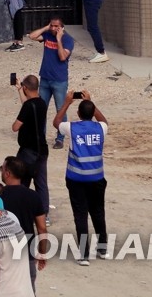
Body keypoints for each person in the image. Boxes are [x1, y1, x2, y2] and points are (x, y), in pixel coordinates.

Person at [52, 90, 109, 264]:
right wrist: (92, 103)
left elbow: (56, 122)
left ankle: (84, 254)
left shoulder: (72, 127)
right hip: (97, 179)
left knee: (80, 215)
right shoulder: (101, 128)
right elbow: (104, 120)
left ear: (77, 114)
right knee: (98, 212)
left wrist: (67, 102)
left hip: (76, 179)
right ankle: (103, 248)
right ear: (92, 114)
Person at [0, 157, 49, 289]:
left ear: (7, 173)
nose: (1, 171)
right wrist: (42, 252)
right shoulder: (33, 196)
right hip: (27, 254)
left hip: (3, 254)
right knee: (28, 290)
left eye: (2, 168)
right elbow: (42, 228)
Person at [27, 17, 73, 150]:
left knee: (60, 110)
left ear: (61, 27)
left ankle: (60, 138)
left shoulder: (68, 40)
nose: (53, 28)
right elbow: (32, 36)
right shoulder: (47, 34)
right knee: (41, 108)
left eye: (56, 26)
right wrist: (46, 27)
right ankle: (40, 136)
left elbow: (62, 57)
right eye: (52, 26)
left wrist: (58, 39)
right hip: (45, 79)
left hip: (59, 80)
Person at [11, 75, 50, 218]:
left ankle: (20, 212)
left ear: (26, 87)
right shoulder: (42, 102)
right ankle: (44, 214)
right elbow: (28, 105)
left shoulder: (28, 106)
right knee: (41, 184)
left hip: (27, 151)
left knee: (21, 183)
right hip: (42, 149)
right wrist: (20, 91)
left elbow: (15, 127)